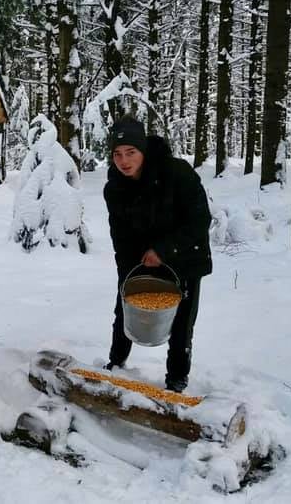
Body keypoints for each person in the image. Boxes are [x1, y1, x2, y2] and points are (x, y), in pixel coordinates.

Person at [103, 117, 212, 393]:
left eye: (131, 152)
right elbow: (121, 237)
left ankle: (176, 379)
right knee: (123, 309)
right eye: (117, 154)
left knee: (181, 322)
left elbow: (199, 220)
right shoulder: (114, 187)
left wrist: (164, 251)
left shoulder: (176, 173)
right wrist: (126, 276)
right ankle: (115, 363)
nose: (123, 161)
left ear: (143, 151)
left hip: (185, 255)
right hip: (141, 259)